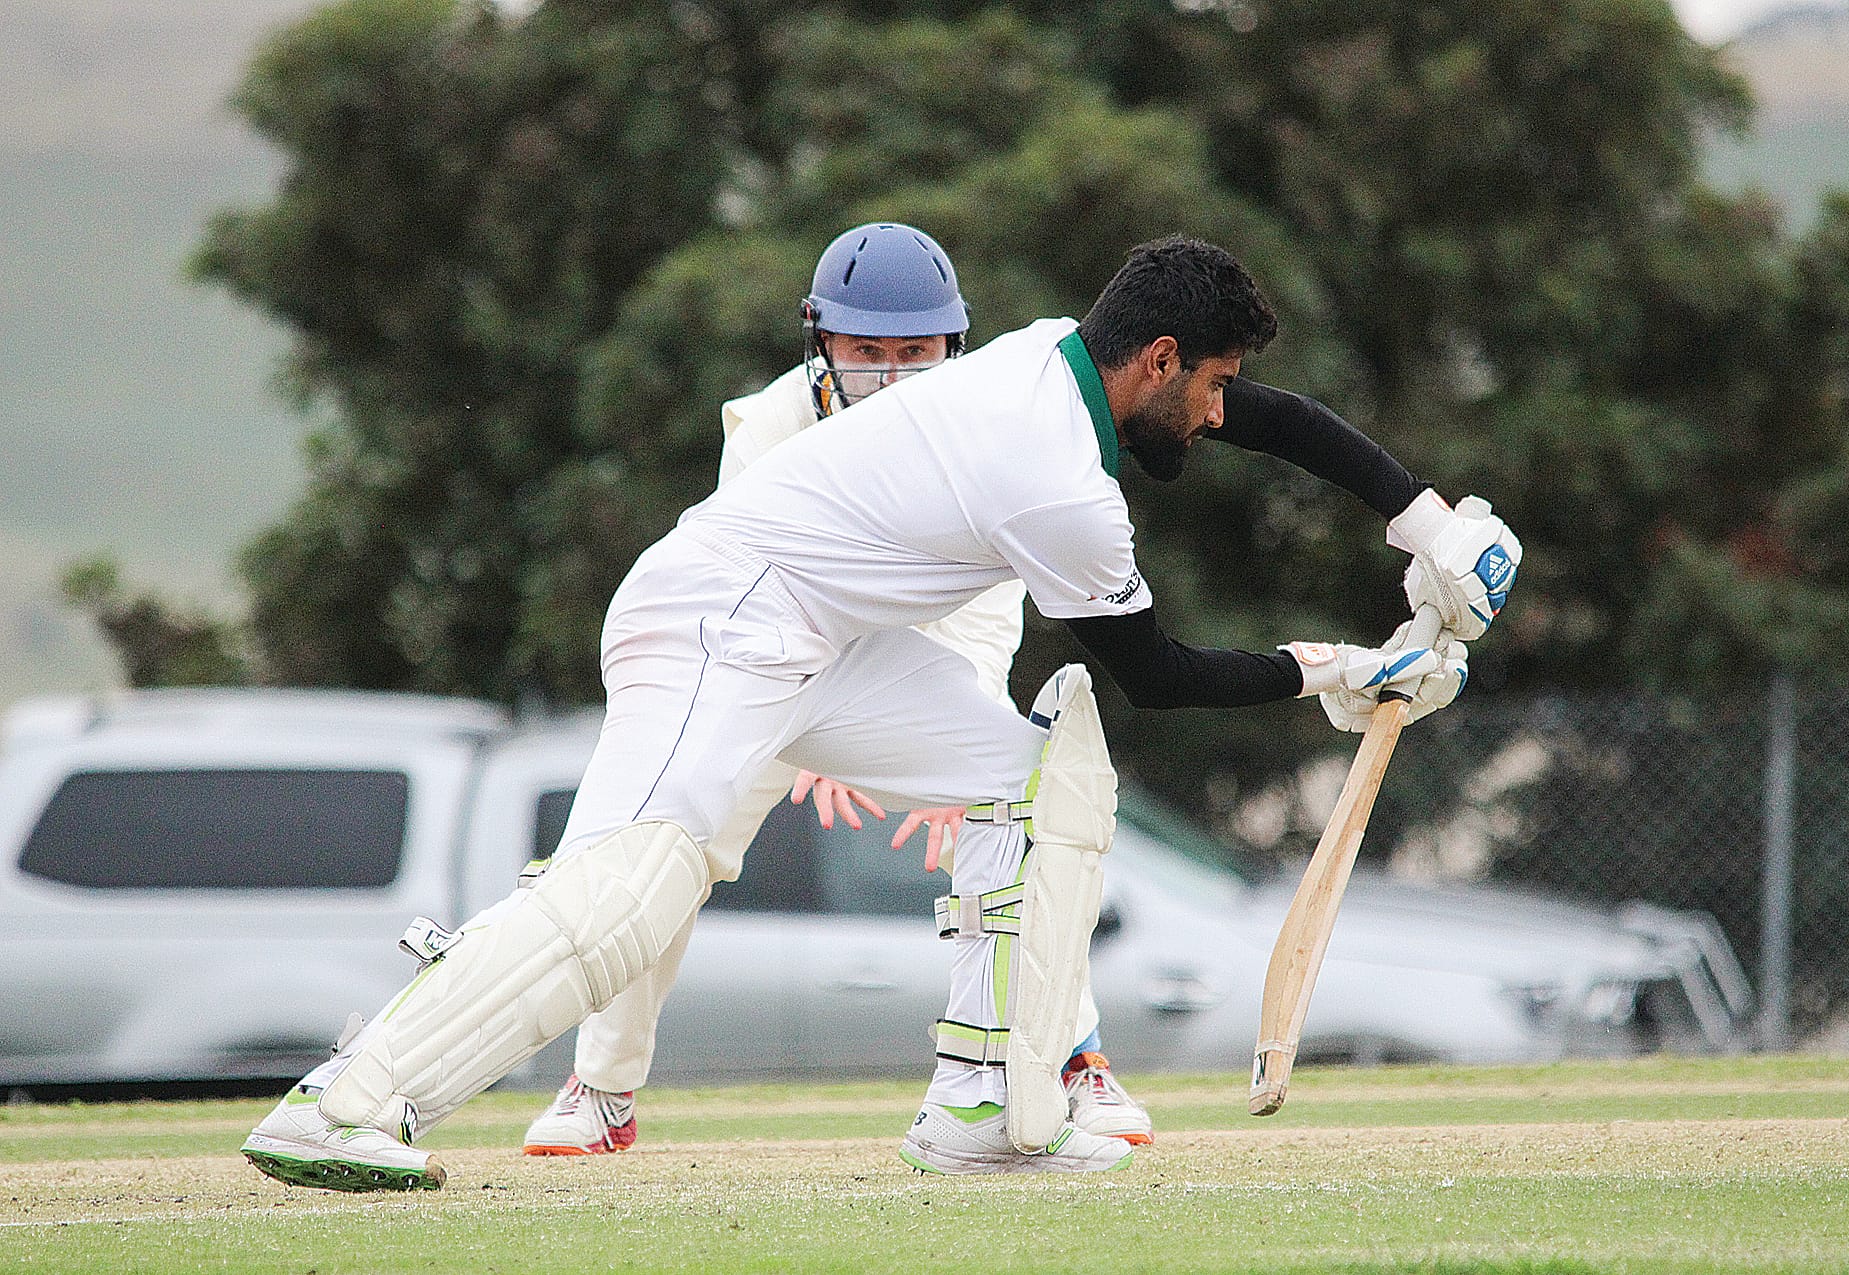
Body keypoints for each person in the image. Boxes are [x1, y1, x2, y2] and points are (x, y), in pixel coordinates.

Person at [241, 236, 1517, 1191]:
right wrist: (1340, 670)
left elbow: (1270, 420)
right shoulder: (1056, 478)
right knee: (636, 886)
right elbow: (1159, 675)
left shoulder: (1058, 355)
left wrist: (1427, 525)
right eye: (1208, 384)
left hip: (822, 643)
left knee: (1038, 777)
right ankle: (349, 1100)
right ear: (1160, 360)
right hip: (716, 619)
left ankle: (978, 1104)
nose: (1214, 413)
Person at [519, 222, 1155, 1156]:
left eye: (915, 354)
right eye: (867, 352)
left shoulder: (997, 428)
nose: (891, 376)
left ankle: (1074, 1063)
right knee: (672, 838)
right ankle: (601, 1085)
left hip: (916, 664)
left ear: (954, 350)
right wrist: (814, 723)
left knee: (1025, 808)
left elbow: (985, 611)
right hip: (768, 668)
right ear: (821, 344)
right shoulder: (770, 426)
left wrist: (956, 733)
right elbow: (761, 593)